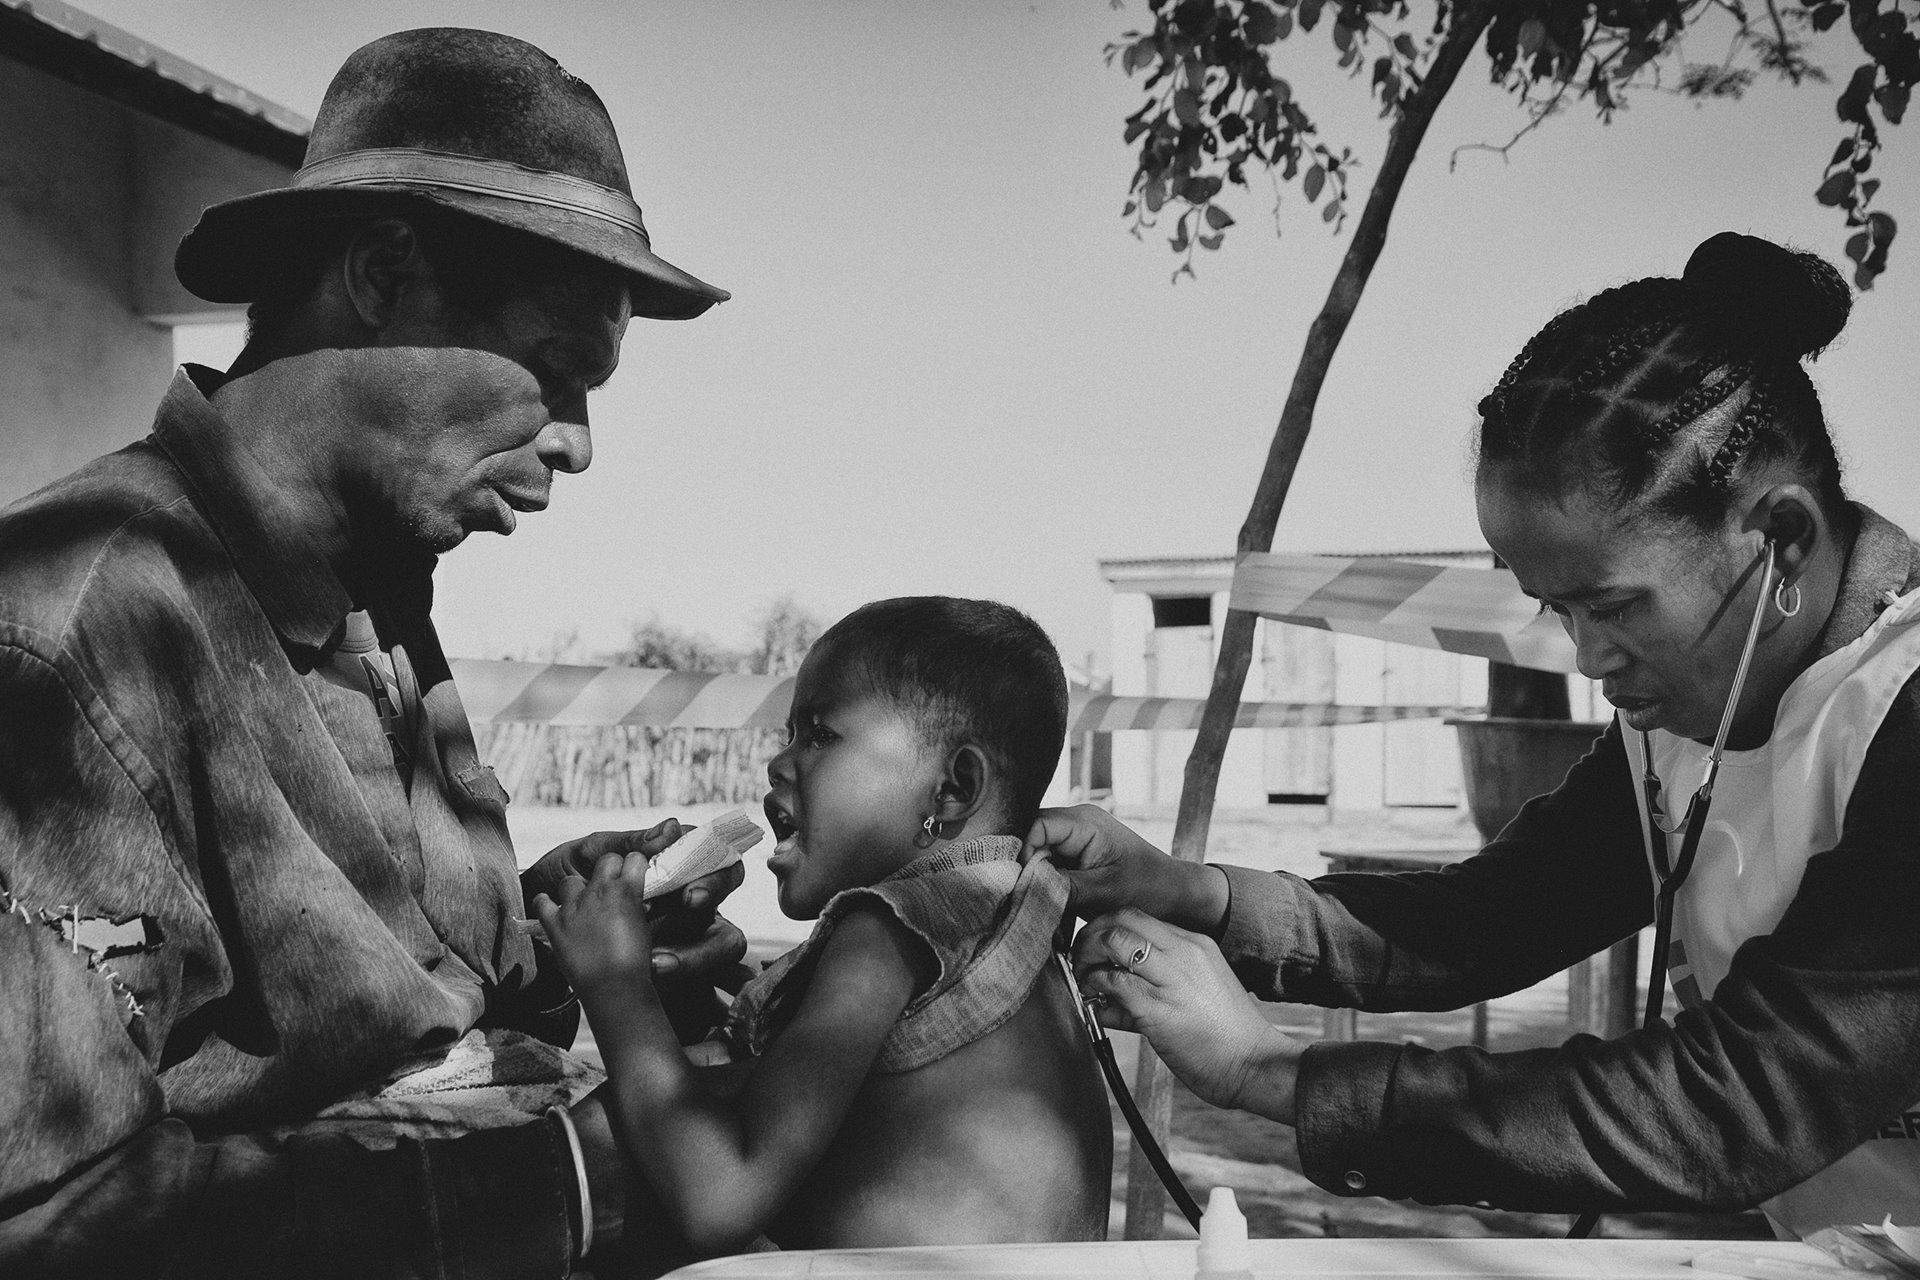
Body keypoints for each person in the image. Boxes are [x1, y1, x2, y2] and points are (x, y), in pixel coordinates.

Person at [0, 28, 751, 1278]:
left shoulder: (384, 601)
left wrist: (578, 950)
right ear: (383, 269)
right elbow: (45, 1216)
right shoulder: (75, 637)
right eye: (560, 369)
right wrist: (564, 1179)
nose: (577, 442)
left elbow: (402, 1008)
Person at [1036, 232, 1920, 1238]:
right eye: (1555, 609)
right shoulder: (1681, 724)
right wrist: (1185, 889)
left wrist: (1270, 1069)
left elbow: (1733, 1105)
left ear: (1784, 540)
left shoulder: (1904, 718)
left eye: (1614, 605)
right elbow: (1485, 919)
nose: (1589, 658)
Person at [536, 597, 1112, 1262]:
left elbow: (719, 1194)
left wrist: (617, 986)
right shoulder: (1009, 915)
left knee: (595, 1153)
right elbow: (782, 1108)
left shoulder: (886, 930)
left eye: (819, 735)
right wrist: (679, 995)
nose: (779, 764)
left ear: (952, 789)